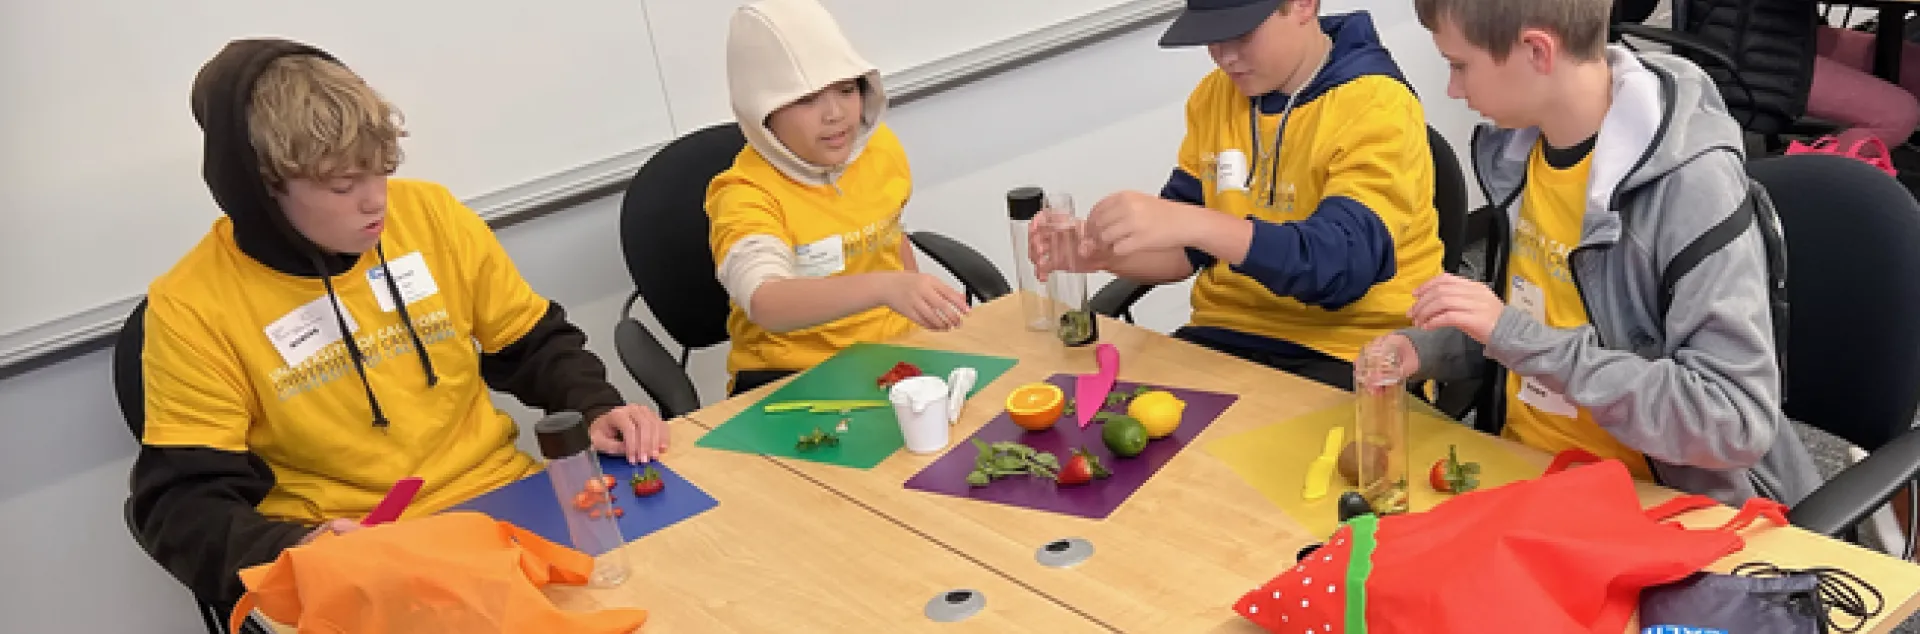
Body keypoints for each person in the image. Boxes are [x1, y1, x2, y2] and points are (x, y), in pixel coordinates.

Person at [127, 39, 672, 611]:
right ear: (262, 188)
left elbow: (533, 343)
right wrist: (297, 546)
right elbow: (182, 504)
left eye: (381, 172)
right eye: (342, 186)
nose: (376, 202)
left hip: (507, 504)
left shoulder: (431, 215)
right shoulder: (192, 306)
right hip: (361, 549)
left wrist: (596, 405)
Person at [1382, 0, 1820, 505]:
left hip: (1650, 504)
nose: (1453, 90)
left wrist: (1513, 334)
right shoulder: (1520, 154)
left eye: (1460, 66)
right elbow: (1543, 323)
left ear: (1537, 51)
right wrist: (1430, 349)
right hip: (1520, 473)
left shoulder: (1691, 189)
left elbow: (1732, 420)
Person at [1035, 0, 1444, 390]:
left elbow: (1338, 268)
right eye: (1212, 38)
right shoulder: (1215, 97)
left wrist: (1196, 224)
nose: (1225, 57)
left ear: (1303, 5)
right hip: (1225, 340)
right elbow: (1185, 252)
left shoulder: (1376, 105)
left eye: (1241, 34)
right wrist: (1103, 254)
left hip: (1349, 354)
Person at [708, 0, 968, 396]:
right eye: (806, 99)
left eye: (847, 90)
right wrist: (886, 287)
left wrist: (914, 303)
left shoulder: (878, 148)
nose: (835, 115)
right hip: (794, 379)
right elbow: (766, 300)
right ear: (761, 111)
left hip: (894, 357)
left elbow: (891, 237)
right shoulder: (744, 193)